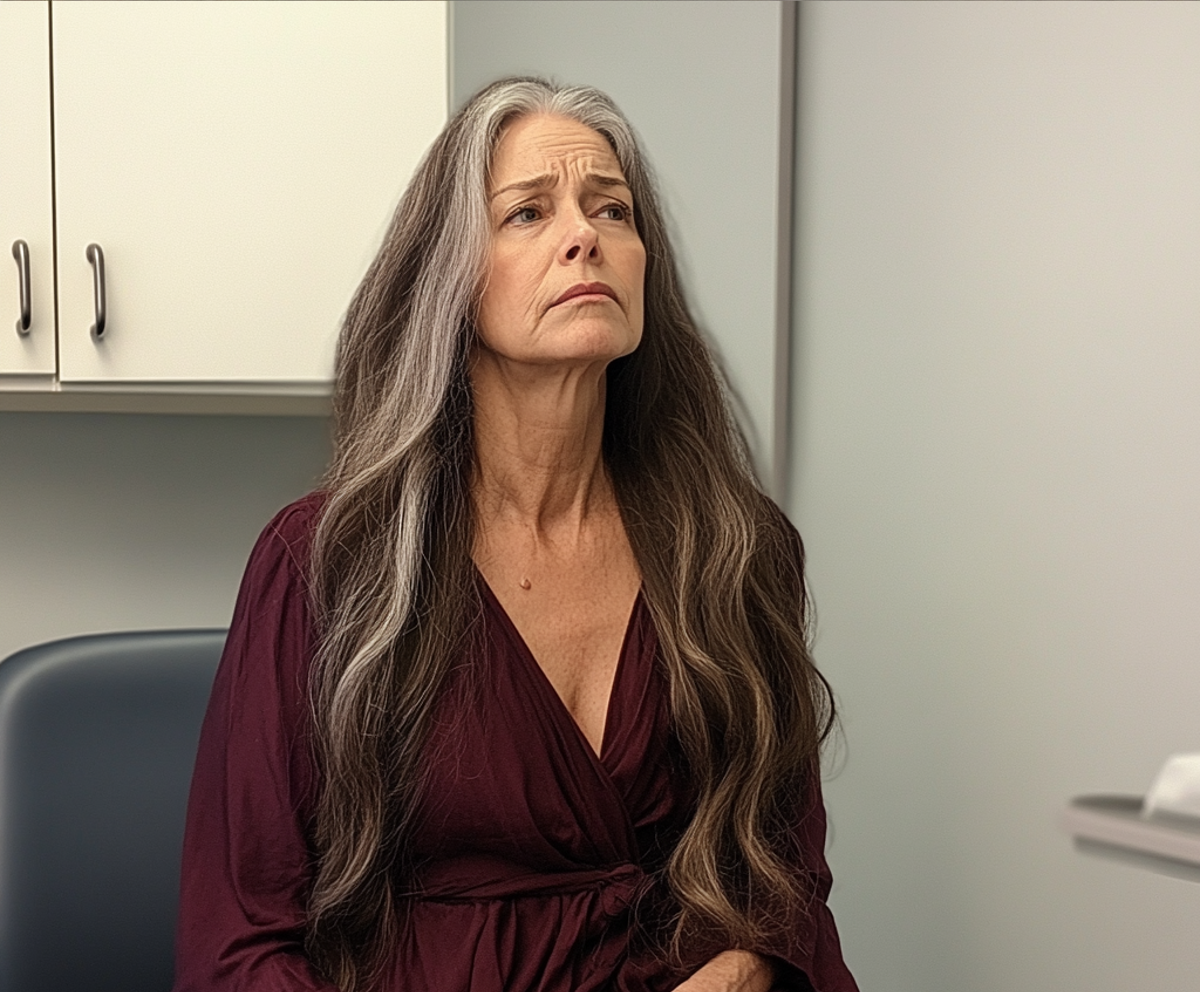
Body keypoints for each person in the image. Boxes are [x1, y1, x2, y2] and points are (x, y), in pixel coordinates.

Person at [172, 77, 858, 992]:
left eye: (612, 208)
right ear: (450, 278)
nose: (586, 236)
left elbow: (788, 888)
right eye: (528, 213)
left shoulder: (737, 552)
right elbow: (239, 950)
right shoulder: (322, 567)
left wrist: (741, 972)